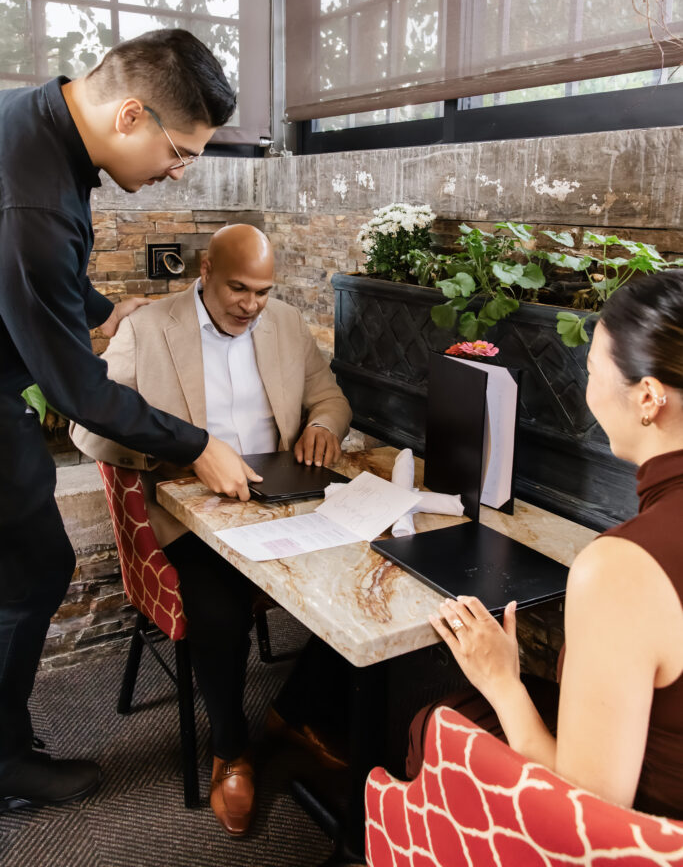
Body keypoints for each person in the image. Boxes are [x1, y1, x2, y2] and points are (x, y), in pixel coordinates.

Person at [0, 30, 267, 815]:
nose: (178, 171)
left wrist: (103, 309)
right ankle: (4, 766)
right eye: (178, 152)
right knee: (31, 573)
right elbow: (78, 392)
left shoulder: (40, 123)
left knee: (25, 572)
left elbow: (41, 273)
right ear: (129, 115)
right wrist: (199, 444)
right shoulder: (31, 198)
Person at [71, 223, 352, 835]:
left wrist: (323, 425)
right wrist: (182, 451)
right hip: (189, 515)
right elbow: (86, 428)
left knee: (366, 580)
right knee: (220, 613)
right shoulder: (148, 329)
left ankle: (295, 709)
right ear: (205, 272)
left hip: (281, 503)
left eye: (263, 291)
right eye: (238, 289)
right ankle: (231, 748)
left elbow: (329, 396)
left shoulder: (285, 324)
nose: (252, 305)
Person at [409, 269, 683, 818]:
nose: (587, 390)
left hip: (644, 837)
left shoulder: (622, 569)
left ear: (648, 396)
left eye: (592, 371)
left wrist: (501, 680)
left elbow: (589, 812)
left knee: (431, 724)